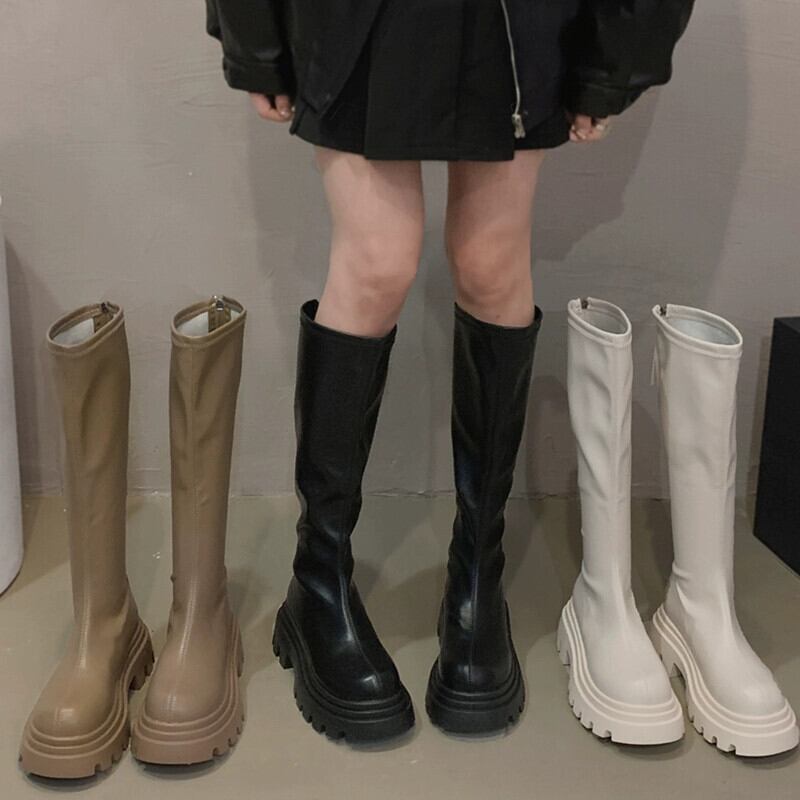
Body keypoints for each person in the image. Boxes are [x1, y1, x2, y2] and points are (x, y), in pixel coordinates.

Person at [205, 0, 696, 743]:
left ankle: (476, 578)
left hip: (513, 19)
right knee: (376, 261)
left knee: (492, 263)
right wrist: (254, 39)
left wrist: (615, 56)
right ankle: (318, 583)